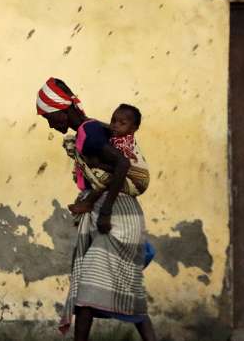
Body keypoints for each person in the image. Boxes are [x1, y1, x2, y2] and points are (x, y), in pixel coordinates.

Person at [35, 78, 157, 341]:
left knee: (90, 290)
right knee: (118, 290)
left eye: (49, 116)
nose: (49, 123)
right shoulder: (89, 131)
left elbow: (122, 165)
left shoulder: (89, 134)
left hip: (117, 216)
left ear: (63, 110)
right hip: (118, 214)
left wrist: (102, 210)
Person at [67, 103, 149, 216]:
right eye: (113, 121)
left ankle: (88, 203)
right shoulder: (118, 136)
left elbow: (120, 167)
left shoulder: (124, 144)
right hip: (131, 176)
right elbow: (105, 126)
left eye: (122, 123)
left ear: (133, 129)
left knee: (105, 178)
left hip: (137, 182)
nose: (115, 125)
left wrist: (97, 164)